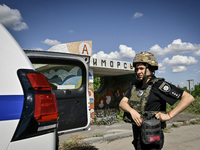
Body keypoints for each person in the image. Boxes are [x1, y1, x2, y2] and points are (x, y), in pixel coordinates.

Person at [119, 51, 195, 150]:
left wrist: (169, 115)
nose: (138, 72)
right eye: (137, 69)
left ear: (150, 68)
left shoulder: (158, 85)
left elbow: (188, 98)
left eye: (141, 68)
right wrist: (132, 111)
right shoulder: (136, 86)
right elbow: (122, 103)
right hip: (137, 134)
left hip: (152, 134)